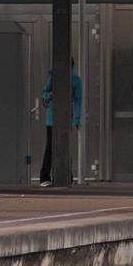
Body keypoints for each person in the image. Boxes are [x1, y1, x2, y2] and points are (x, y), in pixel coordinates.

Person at [40, 59, 83, 187]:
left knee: (65, 147)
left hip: (66, 118)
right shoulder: (53, 77)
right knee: (50, 147)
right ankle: (45, 177)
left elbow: (78, 101)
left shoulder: (76, 81)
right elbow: (44, 93)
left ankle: (67, 177)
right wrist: (50, 94)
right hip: (52, 117)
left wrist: (77, 119)